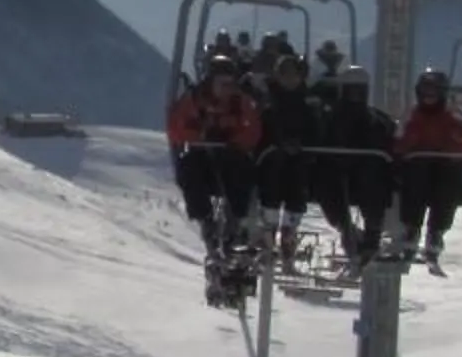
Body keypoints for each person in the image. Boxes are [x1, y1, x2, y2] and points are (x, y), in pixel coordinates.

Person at [167, 54, 262, 262]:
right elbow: (176, 128)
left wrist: (236, 142)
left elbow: (253, 129)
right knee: (189, 168)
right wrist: (197, 136)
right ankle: (206, 220)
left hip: (230, 157)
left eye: (229, 83)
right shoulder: (194, 100)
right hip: (203, 158)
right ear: (211, 81)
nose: (226, 89)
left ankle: (235, 221)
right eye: (222, 83)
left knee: (242, 170)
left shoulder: (240, 102)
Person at [393, 66, 462, 266]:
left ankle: (436, 232)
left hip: (447, 169)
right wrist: (409, 145)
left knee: (446, 188)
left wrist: (455, 144)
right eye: (425, 91)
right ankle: (412, 229)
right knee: (414, 185)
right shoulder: (411, 115)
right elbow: (397, 140)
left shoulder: (456, 116)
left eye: (433, 91)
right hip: (417, 168)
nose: (429, 96)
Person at [312, 66, 396, 264]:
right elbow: (318, 139)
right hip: (334, 174)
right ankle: (346, 228)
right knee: (327, 181)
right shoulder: (327, 117)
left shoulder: (376, 120)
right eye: (351, 91)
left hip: (365, 177)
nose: (355, 96)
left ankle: (372, 233)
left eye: (359, 91)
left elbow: (388, 143)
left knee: (373, 179)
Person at [254, 51, 315, 256]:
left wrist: (302, 144)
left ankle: (289, 229)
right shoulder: (269, 100)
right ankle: (269, 226)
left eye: (293, 74)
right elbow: (263, 126)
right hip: (271, 154)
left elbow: (314, 128)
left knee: (298, 177)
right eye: (285, 74)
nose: (290, 79)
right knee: (273, 172)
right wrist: (278, 143)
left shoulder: (307, 102)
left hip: (299, 155)